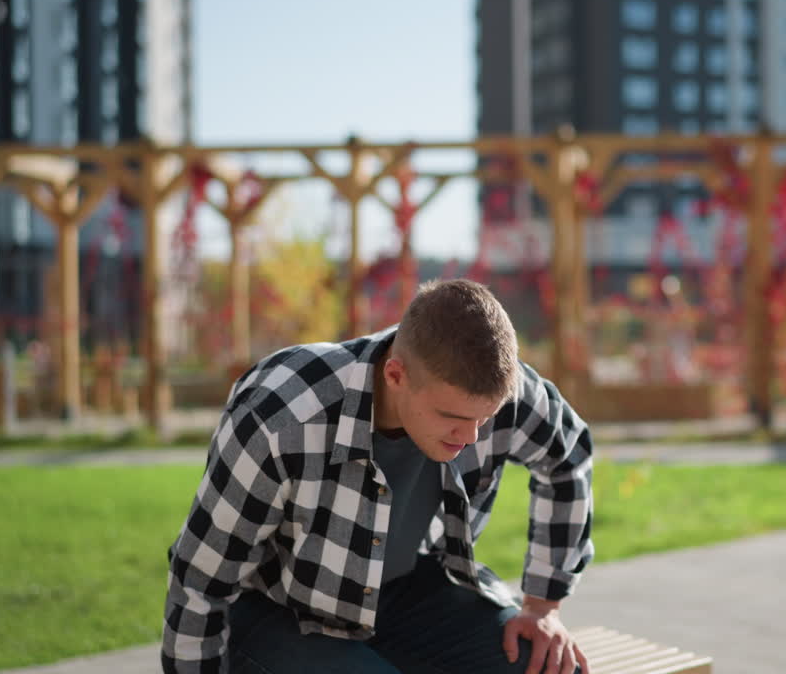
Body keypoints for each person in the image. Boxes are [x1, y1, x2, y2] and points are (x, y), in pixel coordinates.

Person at [161, 279, 594, 674]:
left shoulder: (499, 392)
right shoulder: (281, 414)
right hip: (281, 611)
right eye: (452, 418)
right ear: (396, 375)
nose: (471, 436)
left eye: (486, 417)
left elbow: (568, 455)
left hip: (407, 595)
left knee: (555, 669)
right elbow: (201, 581)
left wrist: (541, 605)